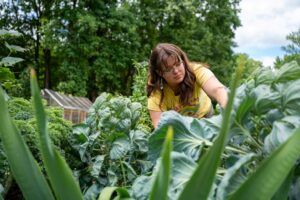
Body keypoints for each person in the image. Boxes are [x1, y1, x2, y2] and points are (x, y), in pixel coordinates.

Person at [147, 43, 228, 128]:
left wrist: (228, 110)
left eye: (178, 64)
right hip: (183, 128)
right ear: (159, 72)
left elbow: (218, 90)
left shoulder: (197, 71)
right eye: (168, 69)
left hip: (206, 116)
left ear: (183, 61)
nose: (176, 71)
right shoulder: (156, 92)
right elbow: (158, 125)